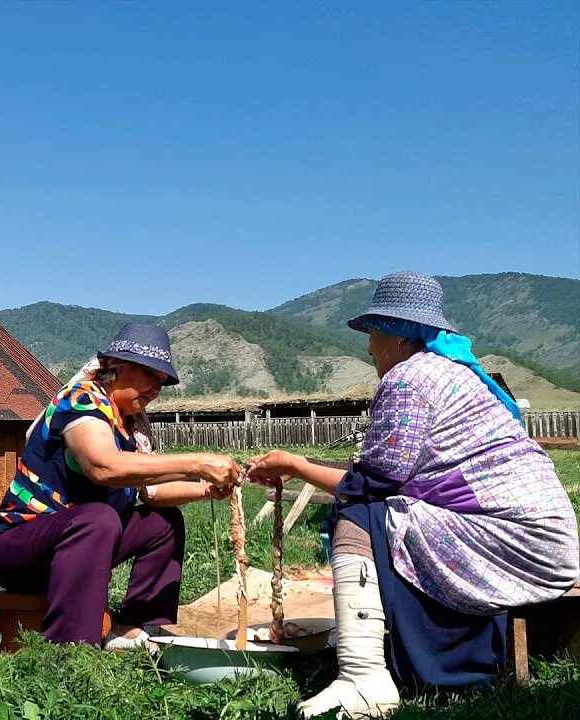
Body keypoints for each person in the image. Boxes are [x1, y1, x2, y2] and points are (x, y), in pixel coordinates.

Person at [246, 271, 578, 718]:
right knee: (376, 508)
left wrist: (299, 466)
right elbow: (388, 474)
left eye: (375, 335)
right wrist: (300, 467)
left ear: (400, 338)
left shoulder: (408, 380)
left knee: (360, 515)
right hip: (545, 542)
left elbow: (372, 484)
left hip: (510, 539)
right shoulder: (453, 375)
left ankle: (363, 678)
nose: (369, 348)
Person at [0, 321, 242, 650]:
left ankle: (132, 626)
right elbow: (103, 466)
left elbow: (153, 493)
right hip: (18, 549)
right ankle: (71, 649)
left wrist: (207, 488)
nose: (155, 389)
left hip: (83, 542)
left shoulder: (133, 427)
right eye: (150, 376)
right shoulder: (81, 402)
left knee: (163, 523)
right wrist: (197, 463)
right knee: (98, 518)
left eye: (161, 382)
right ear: (116, 368)